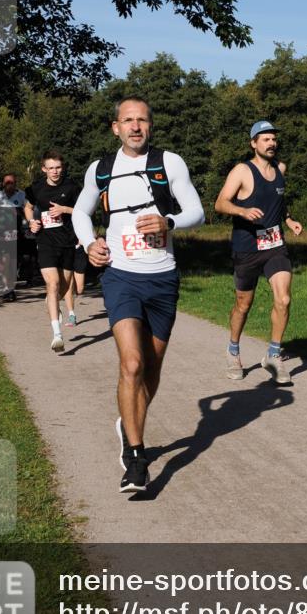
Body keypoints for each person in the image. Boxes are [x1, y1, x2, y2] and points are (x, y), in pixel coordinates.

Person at [73, 96, 205, 494]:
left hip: (162, 279)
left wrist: (168, 221)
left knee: (150, 370)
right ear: (115, 127)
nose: (135, 127)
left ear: (150, 125)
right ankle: (135, 456)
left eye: (142, 120)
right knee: (131, 364)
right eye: (128, 120)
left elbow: (197, 211)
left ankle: (128, 421)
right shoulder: (101, 169)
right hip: (120, 276)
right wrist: (89, 243)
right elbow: (80, 212)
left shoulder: (169, 163)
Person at [214, 120, 303, 385]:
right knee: (243, 305)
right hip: (246, 248)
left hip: (275, 245)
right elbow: (220, 203)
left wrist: (289, 220)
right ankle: (233, 350)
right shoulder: (242, 171)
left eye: (273, 139)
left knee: (283, 298)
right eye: (265, 139)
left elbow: (279, 200)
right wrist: (242, 211)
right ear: (254, 143)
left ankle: (273, 356)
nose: (271, 143)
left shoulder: (280, 169)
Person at [24, 151, 80, 352]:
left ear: (62, 168)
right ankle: (57, 334)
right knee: (52, 283)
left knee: (63, 287)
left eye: (58, 167)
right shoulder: (36, 188)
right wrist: (31, 221)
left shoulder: (72, 187)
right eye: (51, 168)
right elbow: (28, 207)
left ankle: (51, 300)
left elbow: (85, 211)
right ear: (44, 169)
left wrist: (65, 210)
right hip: (46, 241)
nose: (55, 171)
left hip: (67, 242)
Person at [0, 174, 26, 301]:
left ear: (15, 183)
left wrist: (28, 221)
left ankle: (10, 288)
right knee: (4, 260)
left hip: (16, 231)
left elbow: (27, 208)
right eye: (7, 182)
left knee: (13, 261)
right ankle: (7, 288)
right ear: (3, 183)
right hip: (0, 231)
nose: (9, 184)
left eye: (11, 182)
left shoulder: (21, 195)